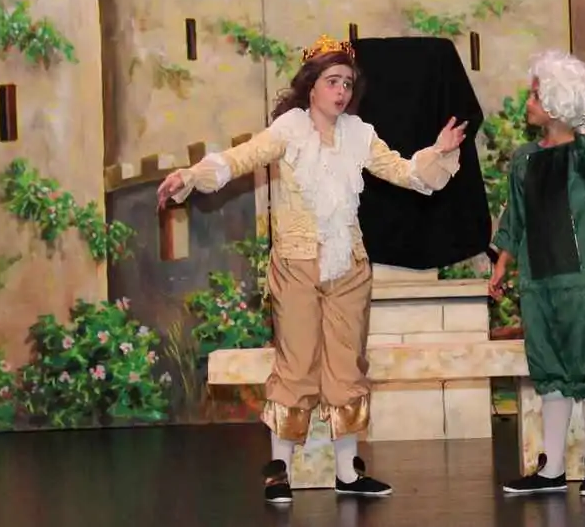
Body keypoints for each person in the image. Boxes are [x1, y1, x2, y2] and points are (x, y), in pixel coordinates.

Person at [157, 35, 467, 504]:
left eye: (347, 83)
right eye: (332, 81)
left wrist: (438, 151)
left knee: (347, 367)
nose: (341, 91)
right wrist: (190, 176)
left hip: (349, 267)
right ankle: (279, 469)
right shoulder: (290, 130)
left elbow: (406, 174)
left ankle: (347, 472)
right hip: (297, 265)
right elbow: (241, 158)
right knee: (296, 366)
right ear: (311, 86)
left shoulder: (360, 135)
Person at [488, 50, 585, 498]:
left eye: (536, 95)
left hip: (581, 281)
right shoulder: (524, 159)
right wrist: (503, 262)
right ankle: (553, 469)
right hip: (538, 282)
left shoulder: (583, 155)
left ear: (558, 103)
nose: (528, 102)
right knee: (549, 372)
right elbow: (515, 217)